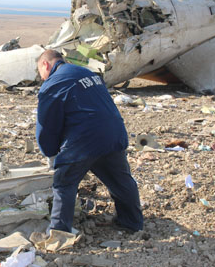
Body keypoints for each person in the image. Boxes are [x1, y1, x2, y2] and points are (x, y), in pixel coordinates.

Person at [35, 49, 143, 234]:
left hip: (85, 140)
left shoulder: (54, 83)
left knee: (64, 183)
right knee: (120, 181)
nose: (43, 78)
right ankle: (132, 222)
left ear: (45, 64)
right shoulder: (86, 73)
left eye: (41, 73)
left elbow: (46, 126)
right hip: (113, 133)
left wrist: (50, 153)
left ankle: (60, 233)